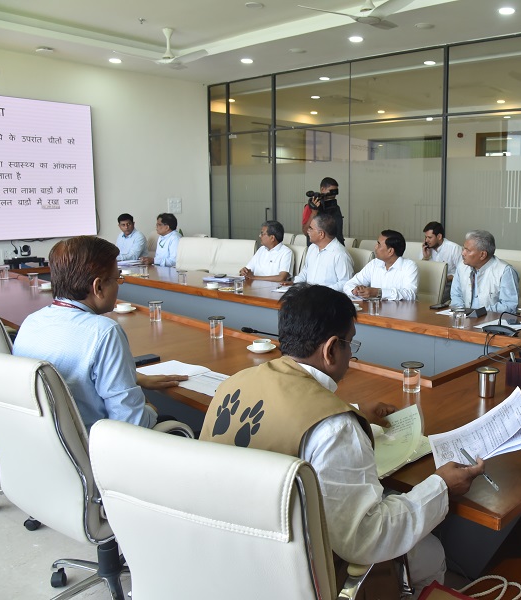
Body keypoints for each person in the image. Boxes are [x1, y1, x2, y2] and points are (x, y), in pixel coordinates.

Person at [199, 283, 483, 591]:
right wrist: (441, 486)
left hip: (219, 551)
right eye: (350, 344)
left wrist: (354, 410)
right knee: (431, 552)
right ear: (331, 349)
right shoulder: (336, 427)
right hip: (292, 574)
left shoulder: (233, 384)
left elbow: (286, 413)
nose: (351, 355)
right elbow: (366, 538)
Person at [12, 236, 187, 431]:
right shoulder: (104, 332)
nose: (119, 285)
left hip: (44, 440)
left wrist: (132, 377)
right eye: (117, 279)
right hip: (96, 444)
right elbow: (131, 423)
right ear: (98, 287)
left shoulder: (31, 322)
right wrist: (150, 409)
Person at [450, 230, 519, 313]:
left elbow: (509, 306)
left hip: (491, 319)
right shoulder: (462, 266)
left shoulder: (505, 271)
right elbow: (456, 295)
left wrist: (479, 314)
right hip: (463, 318)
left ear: (483, 255)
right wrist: (461, 313)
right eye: (464, 248)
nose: (463, 253)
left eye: (468, 250)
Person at [344, 229, 418, 301]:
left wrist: (379, 292)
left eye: (379, 245)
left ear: (390, 251)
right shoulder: (375, 263)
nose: (375, 247)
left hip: (399, 309)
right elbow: (349, 284)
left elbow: (410, 295)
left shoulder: (409, 266)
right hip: (375, 308)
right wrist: (355, 290)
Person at [290, 213, 353, 291]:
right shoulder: (312, 248)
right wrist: (294, 285)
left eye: (311, 228)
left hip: (327, 296)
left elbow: (345, 283)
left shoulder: (340, 254)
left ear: (321, 234)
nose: (308, 231)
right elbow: (305, 271)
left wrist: (321, 292)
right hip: (308, 294)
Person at [302, 176, 345, 244]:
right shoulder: (310, 207)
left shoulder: (336, 208)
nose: (334, 195)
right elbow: (305, 231)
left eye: (335, 192)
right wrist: (314, 213)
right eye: (331, 191)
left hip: (336, 245)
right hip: (317, 247)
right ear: (322, 189)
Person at [420, 222, 462, 289]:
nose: (426, 240)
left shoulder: (454, 248)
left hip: (449, 284)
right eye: (426, 237)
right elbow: (420, 270)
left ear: (439, 236)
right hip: (429, 283)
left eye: (429, 237)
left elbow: (463, 272)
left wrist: (446, 279)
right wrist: (425, 257)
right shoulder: (426, 248)